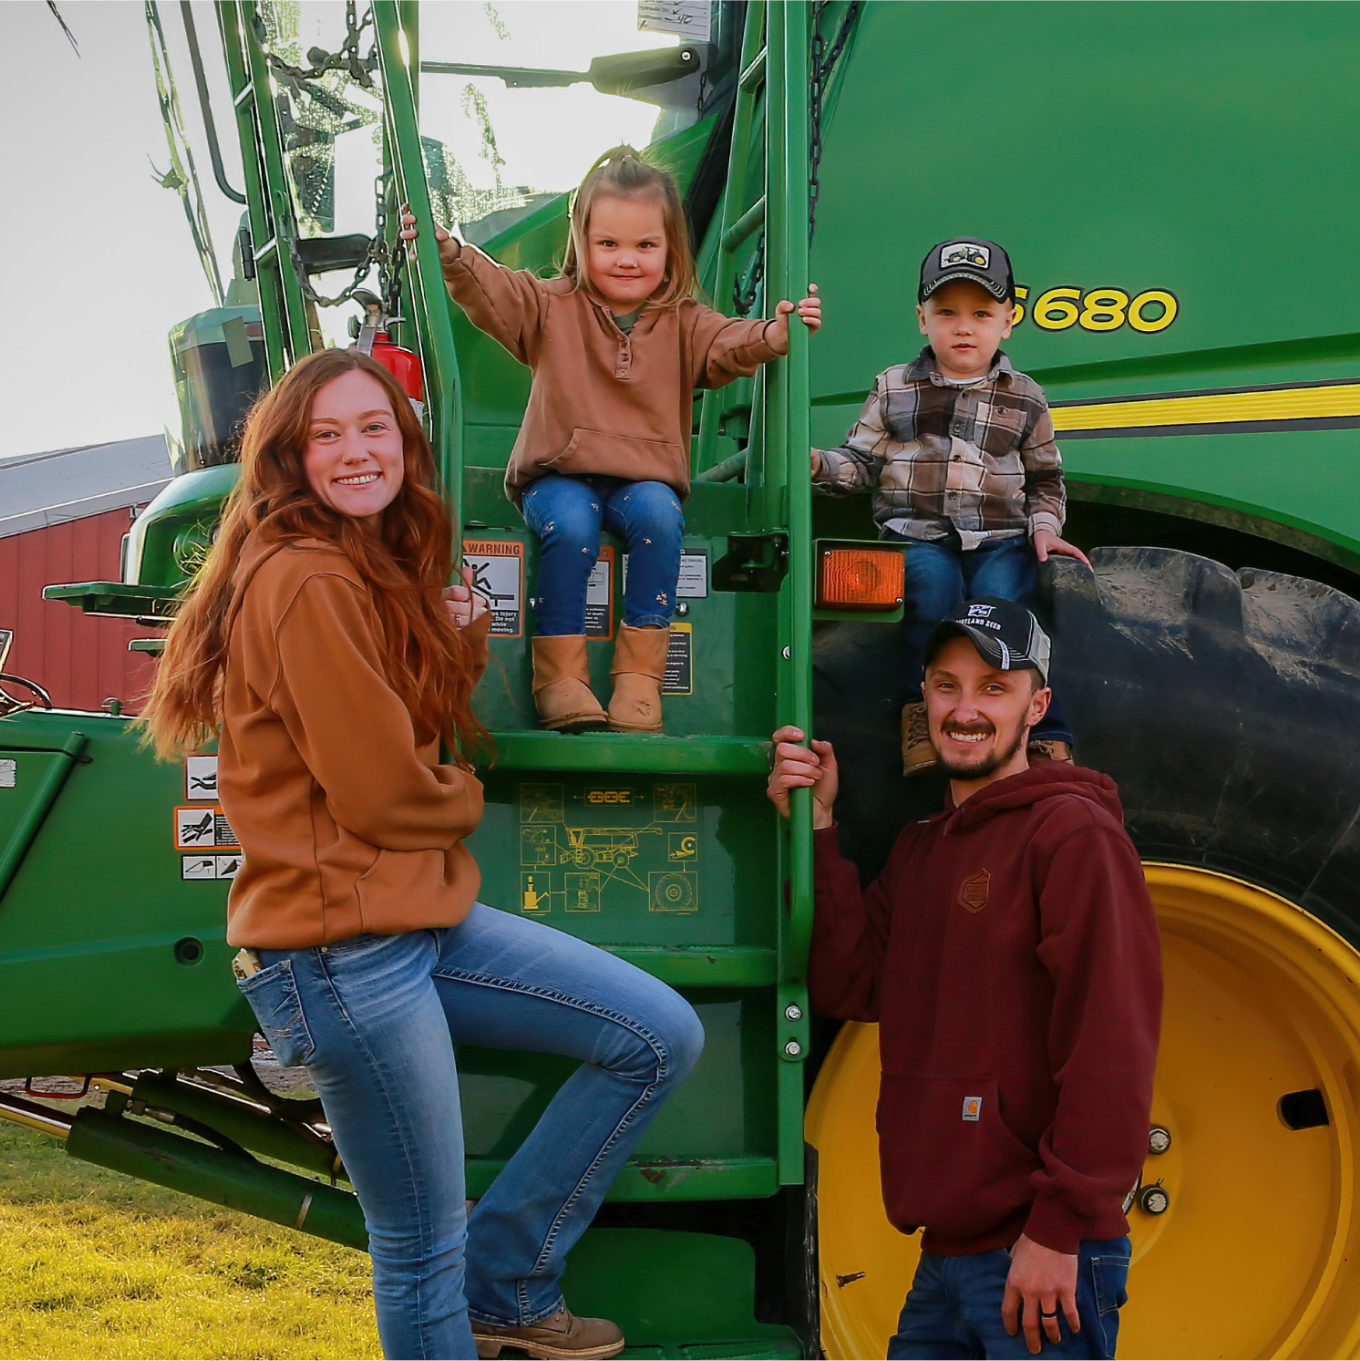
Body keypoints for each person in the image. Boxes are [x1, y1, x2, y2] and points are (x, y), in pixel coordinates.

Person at [141, 349, 705, 1361]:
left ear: (406, 442)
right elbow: (384, 789)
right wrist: (462, 797)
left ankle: (510, 1280)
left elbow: (399, 720)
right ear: (290, 456)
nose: (356, 451)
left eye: (375, 427)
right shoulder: (306, 576)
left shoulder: (354, 565)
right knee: (417, 1249)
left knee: (657, 1033)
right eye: (327, 434)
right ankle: (487, 1288)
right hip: (340, 953)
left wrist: (464, 634)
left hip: (415, 922)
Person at [767, 598, 1161, 1359]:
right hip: (947, 1253)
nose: (966, 710)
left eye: (994, 688)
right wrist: (814, 829)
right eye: (947, 686)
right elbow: (853, 985)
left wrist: (1060, 1227)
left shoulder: (1073, 835)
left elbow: (1110, 1040)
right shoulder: (921, 850)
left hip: (1040, 1248)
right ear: (925, 700)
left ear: (1036, 706)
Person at [400, 146, 820, 734]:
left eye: (645, 245)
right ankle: (559, 679)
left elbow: (730, 343)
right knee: (572, 527)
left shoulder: (685, 321)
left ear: (671, 249)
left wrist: (775, 334)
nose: (627, 259)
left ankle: (640, 678)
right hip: (559, 476)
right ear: (581, 243)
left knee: (660, 517)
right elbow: (493, 290)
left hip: (642, 480)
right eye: (609, 244)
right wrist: (451, 252)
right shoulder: (551, 306)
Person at [808, 237, 1087, 775]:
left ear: (1008, 321)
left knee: (1008, 608)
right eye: (947, 313)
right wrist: (818, 464)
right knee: (932, 594)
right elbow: (861, 463)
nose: (964, 327)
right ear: (922, 319)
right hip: (915, 533)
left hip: (1000, 536)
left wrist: (1045, 528)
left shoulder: (1026, 396)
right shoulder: (894, 387)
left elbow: (1045, 477)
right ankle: (919, 715)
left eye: (981, 314)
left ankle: (1043, 729)